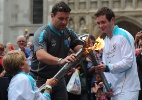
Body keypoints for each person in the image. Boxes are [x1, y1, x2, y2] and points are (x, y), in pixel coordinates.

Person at [30, 1, 83, 100]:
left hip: (58, 78)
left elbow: (80, 48)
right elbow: (40, 55)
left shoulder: (69, 32)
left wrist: (88, 50)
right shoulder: (43, 32)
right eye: (61, 18)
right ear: (52, 16)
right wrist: (60, 60)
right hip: (40, 79)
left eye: (67, 18)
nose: (64, 22)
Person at [94, 7, 140, 100]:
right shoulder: (105, 41)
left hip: (128, 89)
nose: (100, 25)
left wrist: (108, 67)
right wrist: (106, 86)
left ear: (112, 20)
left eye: (103, 22)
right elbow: (106, 67)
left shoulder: (123, 36)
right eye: (98, 23)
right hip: (114, 91)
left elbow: (128, 62)